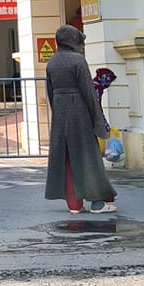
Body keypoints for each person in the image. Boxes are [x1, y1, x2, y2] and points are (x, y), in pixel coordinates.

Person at [43, 24, 117, 214]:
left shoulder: (52, 62)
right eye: (80, 42)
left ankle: (74, 204)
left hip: (60, 112)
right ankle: (98, 201)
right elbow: (89, 93)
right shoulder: (78, 61)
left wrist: (58, 112)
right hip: (79, 112)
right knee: (88, 155)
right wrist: (98, 120)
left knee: (67, 157)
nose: (82, 46)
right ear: (73, 41)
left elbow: (50, 92)